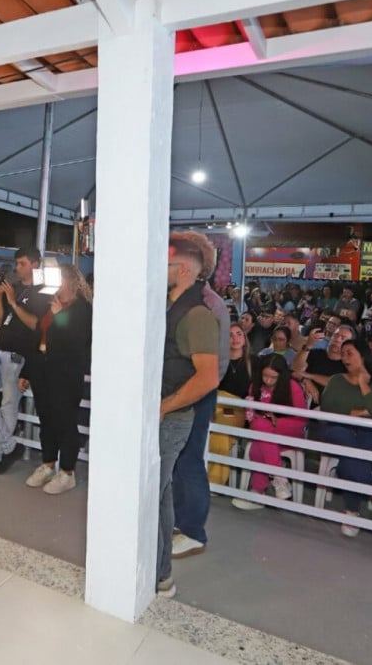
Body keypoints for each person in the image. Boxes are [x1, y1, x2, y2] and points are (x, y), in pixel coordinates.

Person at [155, 233, 220, 598]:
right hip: (168, 414)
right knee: (159, 494)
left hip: (173, 418)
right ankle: (160, 574)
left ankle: (159, 574)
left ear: (181, 270)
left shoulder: (196, 315)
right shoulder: (174, 307)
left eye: (163, 264)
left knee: (155, 494)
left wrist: (164, 407)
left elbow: (208, 377)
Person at [0, 247, 48, 477]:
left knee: (8, 407)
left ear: (35, 264)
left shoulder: (42, 292)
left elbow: (35, 324)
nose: (18, 268)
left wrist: (14, 303)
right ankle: (10, 446)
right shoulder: (17, 288)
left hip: (17, 356)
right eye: (17, 264)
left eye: (22, 263)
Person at [21, 264, 93, 494]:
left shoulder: (82, 309)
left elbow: (76, 343)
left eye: (59, 279)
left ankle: (67, 472)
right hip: (43, 369)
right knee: (47, 421)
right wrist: (27, 372)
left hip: (67, 372)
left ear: (72, 281)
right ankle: (48, 464)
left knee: (65, 422)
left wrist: (60, 316)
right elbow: (38, 338)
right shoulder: (49, 304)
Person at [318, 339, 372, 536]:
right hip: (340, 430)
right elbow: (327, 408)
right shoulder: (336, 380)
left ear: (363, 356)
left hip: (371, 434)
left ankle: (351, 511)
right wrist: (357, 412)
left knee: (348, 461)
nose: (344, 358)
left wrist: (363, 384)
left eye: (349, 353)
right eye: (343, 354)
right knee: (341, 436)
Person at [230, 354, 307, 510]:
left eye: (273, 377)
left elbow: (302, 419)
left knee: (260, 432)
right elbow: (251, 416)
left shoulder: (292, 386)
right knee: (260, 435)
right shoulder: (255, 386)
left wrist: (277, 421)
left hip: (289, 430)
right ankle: (276, 481)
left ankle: (258, 492)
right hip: (263, 432)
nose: (268, 381)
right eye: (265, 376)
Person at [219, 322, 252, 397]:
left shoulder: (255, 362)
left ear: (244, 339)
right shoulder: (216, 362)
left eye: (239, 334)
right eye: (230, 335)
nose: (235, 338)